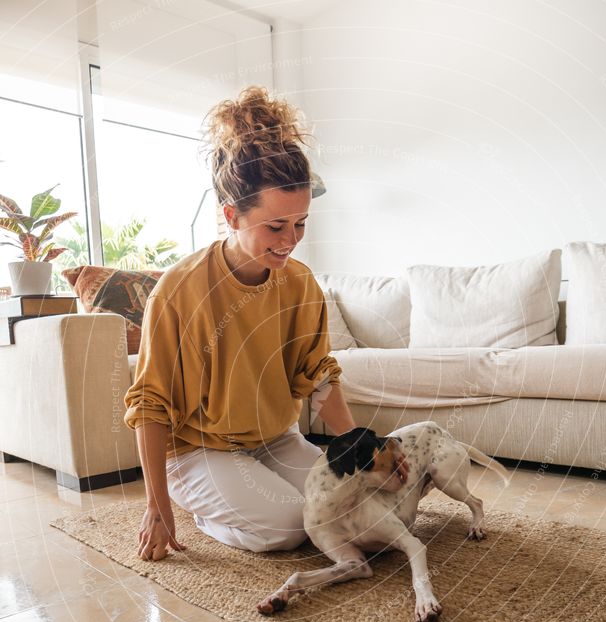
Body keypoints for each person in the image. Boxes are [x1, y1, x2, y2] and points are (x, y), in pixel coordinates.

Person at [124, 86, 407, 563]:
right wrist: (158, 505)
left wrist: (362, 453)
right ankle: (205, 512)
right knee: (293, 525)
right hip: (199, 452)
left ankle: (252, 502)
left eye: (300, 223)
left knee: (361, 506)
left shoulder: (299, 283)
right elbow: (151, 404)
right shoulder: (179, 290)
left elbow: (318, 375)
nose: (290, 240)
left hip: (276, 440)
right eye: (275, 227)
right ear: (231, 215)